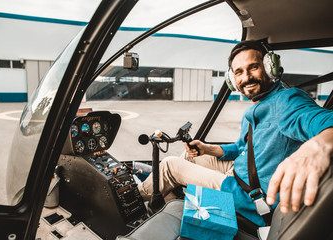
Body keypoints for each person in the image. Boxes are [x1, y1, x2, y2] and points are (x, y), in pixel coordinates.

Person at [138, 40, 333, 226]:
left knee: (169, 166)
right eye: (238, 72)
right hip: (240, 174)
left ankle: (130, 200)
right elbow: (243, 149)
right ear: (232, 79)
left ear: (269, 67)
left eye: (253, 67)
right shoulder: (261, 105)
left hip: (249, 198)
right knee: (186, 157)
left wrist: (319, 146)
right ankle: (168, 207)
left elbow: (326, 121)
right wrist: (207, 149)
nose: (246, 77)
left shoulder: (287, 101)